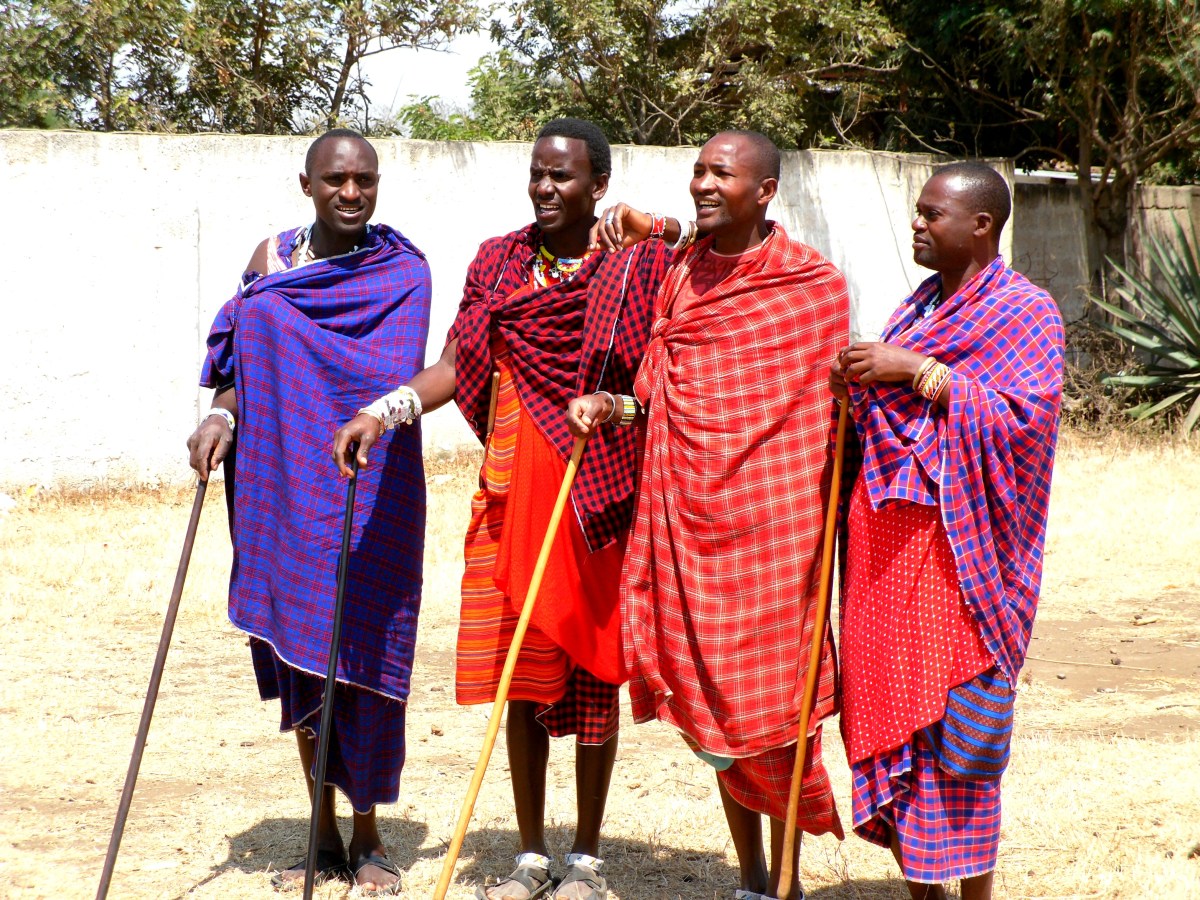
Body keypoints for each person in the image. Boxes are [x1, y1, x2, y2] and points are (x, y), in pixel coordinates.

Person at [334, 118, 679, 900]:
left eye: (563, 176)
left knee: (593, 672)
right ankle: (528, 854)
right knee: (521, 675)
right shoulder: (499, 261)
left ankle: (587, 858)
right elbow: (458, 364)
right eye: (537, 173)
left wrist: (653, 224)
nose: (546, 187)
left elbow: (682, 327)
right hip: (509, 487)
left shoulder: (639, 264)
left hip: (595, 493)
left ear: (598, 184)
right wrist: (382, 411)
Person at [569, 130, 849, 900]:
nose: (702, 182)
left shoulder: (811, 287)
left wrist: (650, 224)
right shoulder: (681, 275)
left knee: (776, 713)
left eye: (721, 173)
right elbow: (659, 399)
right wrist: (611, 404)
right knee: (716, 709)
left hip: (777, 532)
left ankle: (786, 880)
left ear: (764, 191)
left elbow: (819, 416)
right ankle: (752, 879)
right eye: (696, 170)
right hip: (688, 524)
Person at [187, 129, 430, 896]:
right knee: (299, 652)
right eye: (336, 180)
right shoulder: (269, 264)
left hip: (372, 490)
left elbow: (396, 378)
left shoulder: (403, 271)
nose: (351, 194)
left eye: (364, 180)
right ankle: (319, 832)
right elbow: (237, 372)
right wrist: (220, 420)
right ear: (307, 183)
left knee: (361, 652)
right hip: (283, 486)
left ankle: (367, 837)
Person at [828, 162, 1064, 900]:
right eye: (918, 213)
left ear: (981, 226)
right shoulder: (916, 309)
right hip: (885, 552)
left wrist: (918, 372)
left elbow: (1024, 423)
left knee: (959, 737)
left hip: (962, 560)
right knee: (901, 724)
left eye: (933, 214)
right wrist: (862, 384)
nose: (918, 225)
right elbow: (887, 422)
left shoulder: (1026, 312)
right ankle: (921, 893)